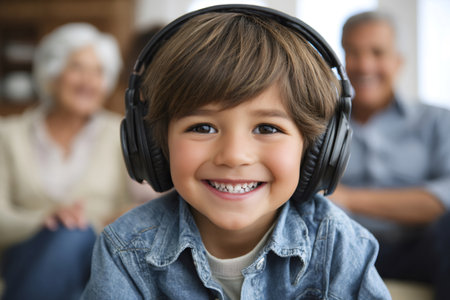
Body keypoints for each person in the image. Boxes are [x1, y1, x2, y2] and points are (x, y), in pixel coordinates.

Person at [82, 6, 391, 299]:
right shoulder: (124, 247)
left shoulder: (340, 245)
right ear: (156, 144)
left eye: (267, 128)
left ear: (316, 149)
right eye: (202, 127)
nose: (233, 155)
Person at [0, 23, 158, 300]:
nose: (88, 81)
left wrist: (120, 217)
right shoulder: (8, 135)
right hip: (25, 256)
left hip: (97, 258)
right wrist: (45, 219)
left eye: (98, 72)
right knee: (69, 234)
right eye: (77, 68)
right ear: (51, 74)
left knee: (81, 238)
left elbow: (149, 199)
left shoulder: (119, 134)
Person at [330, 10, 450, 299]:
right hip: (341, 246)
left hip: (421, 247)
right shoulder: (321, 124)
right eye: (353, 53)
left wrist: (347, 198)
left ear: (398, 61)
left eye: (377, 52)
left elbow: (445, 197)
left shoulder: (436, 121)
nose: (364, 64)